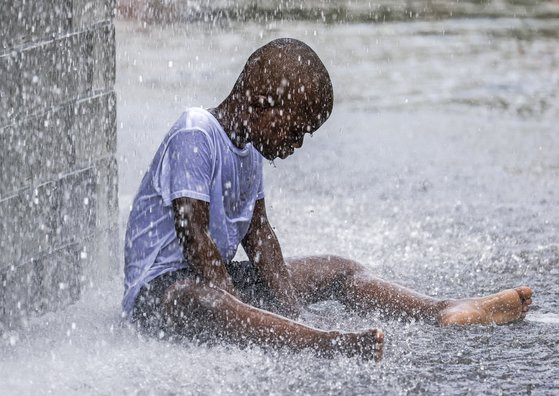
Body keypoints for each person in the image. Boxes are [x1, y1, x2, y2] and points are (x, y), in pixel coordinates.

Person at [122, 38, 532, 361]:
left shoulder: (248, 151)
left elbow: (260, 236)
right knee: (210, 299)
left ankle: (440, 309)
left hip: (213, 283)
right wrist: (237, 300)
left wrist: (290, 307)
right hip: (162, 296)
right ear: (263, 103)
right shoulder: (196, 132)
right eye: (296, 130)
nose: (298, 144)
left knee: (338, 269)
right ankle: (323, 343)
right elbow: (193, 234)